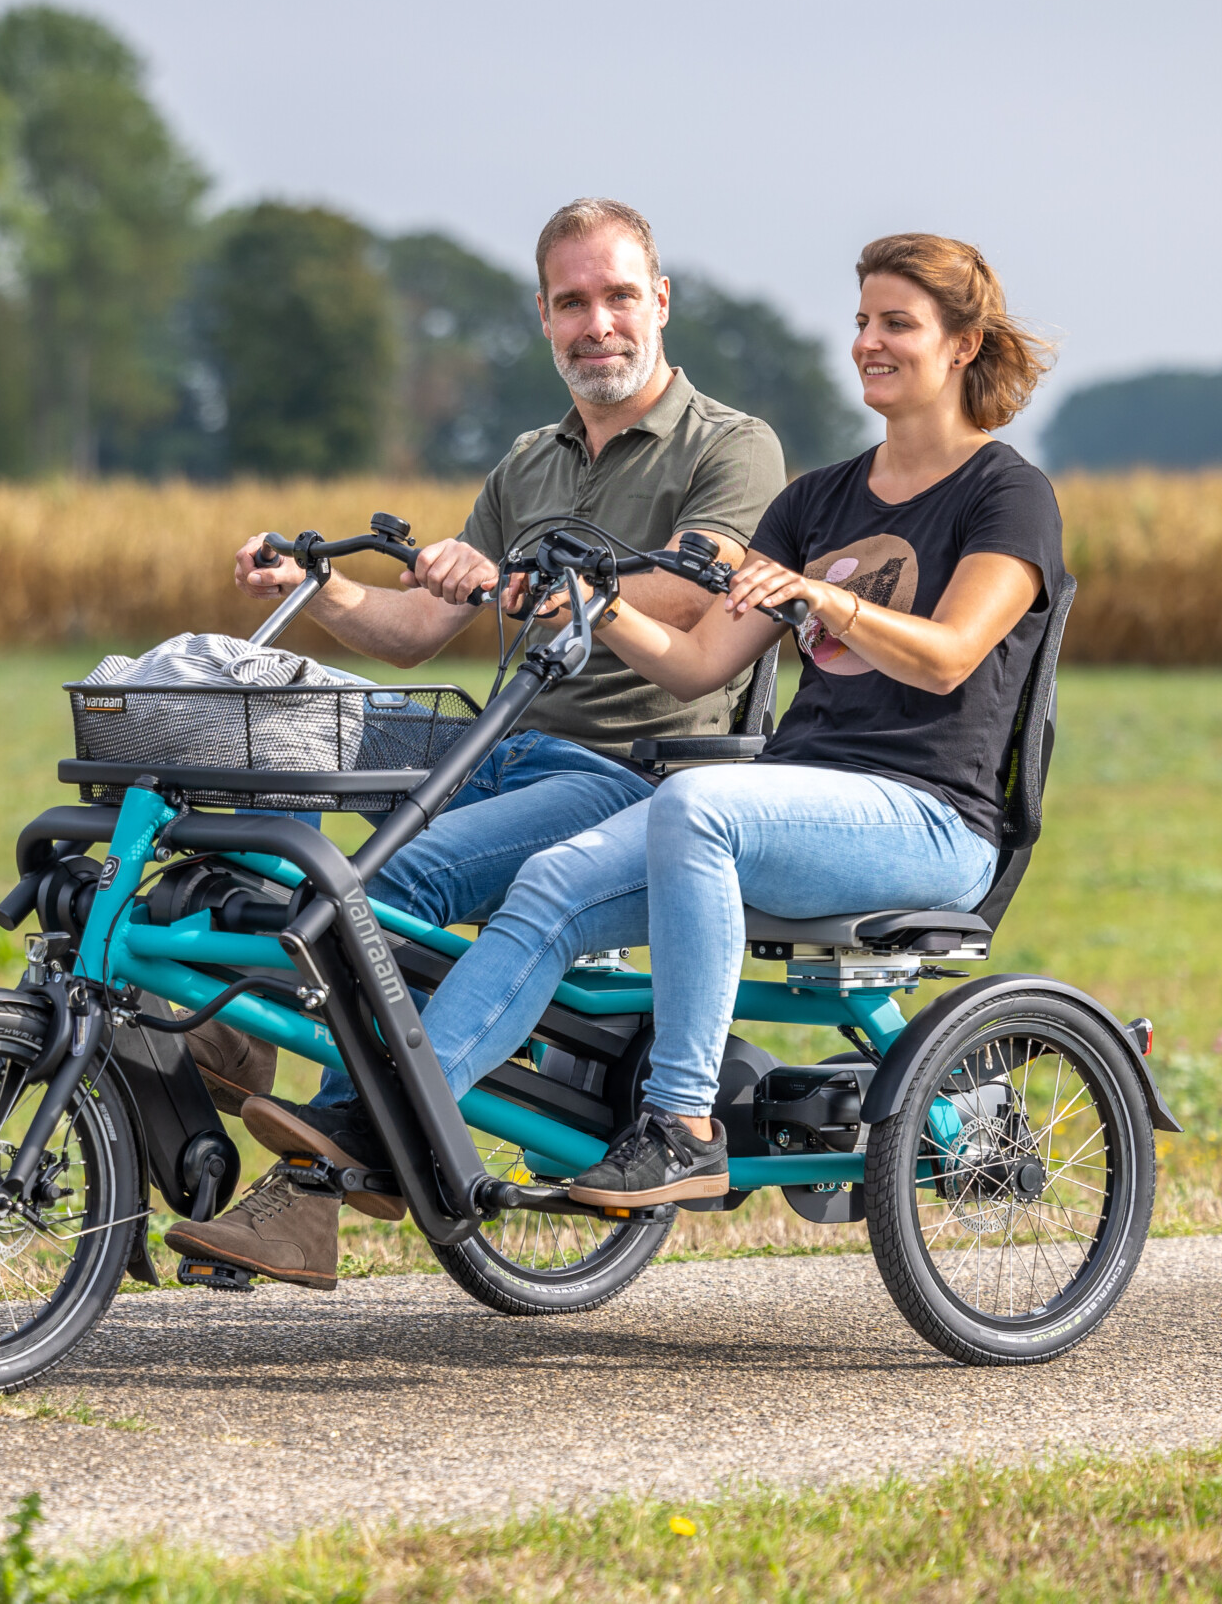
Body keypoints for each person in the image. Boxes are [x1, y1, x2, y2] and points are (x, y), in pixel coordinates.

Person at [365, 230, 1064, 1219]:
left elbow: (952, 652)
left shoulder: (1006, 493)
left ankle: (681, 1126)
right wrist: (597, 610)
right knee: (552, 878)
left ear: (961, 345)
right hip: (793, 809)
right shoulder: (816, 500)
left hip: (928, 820)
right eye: (861, 320)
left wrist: (830, 605)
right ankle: (398, 1124)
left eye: (895, 324)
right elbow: (698, 661)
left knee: (695, 807)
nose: (867, 341)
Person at [165, 199, 784, 1287]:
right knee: (288, 737)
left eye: (618, 296)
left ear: (660, 301)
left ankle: (312, 1192)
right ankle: (239, 1018)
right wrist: (321, 591)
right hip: (498, 744)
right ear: (543, 317)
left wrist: (515, 581)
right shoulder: (529, 462)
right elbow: (415, 633)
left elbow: (692, 593)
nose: (597, 323)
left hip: (625, 776)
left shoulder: (729, 446)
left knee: (381, 880)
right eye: (571, 303)